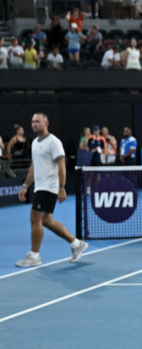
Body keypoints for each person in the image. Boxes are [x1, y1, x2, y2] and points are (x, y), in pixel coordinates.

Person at [15, 113, 88, 267]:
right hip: (39, 187)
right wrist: (25, 186)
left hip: (49, 187)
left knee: (35, 218)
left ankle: (34, 256)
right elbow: (34, 167)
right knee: (47, 221)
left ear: (46, 123)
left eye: (38, 121)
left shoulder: (54, 142)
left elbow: (62, 165)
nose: (34, 124)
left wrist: (62, 187)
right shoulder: (34, 143)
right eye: (33, 121)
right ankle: (76, 244)